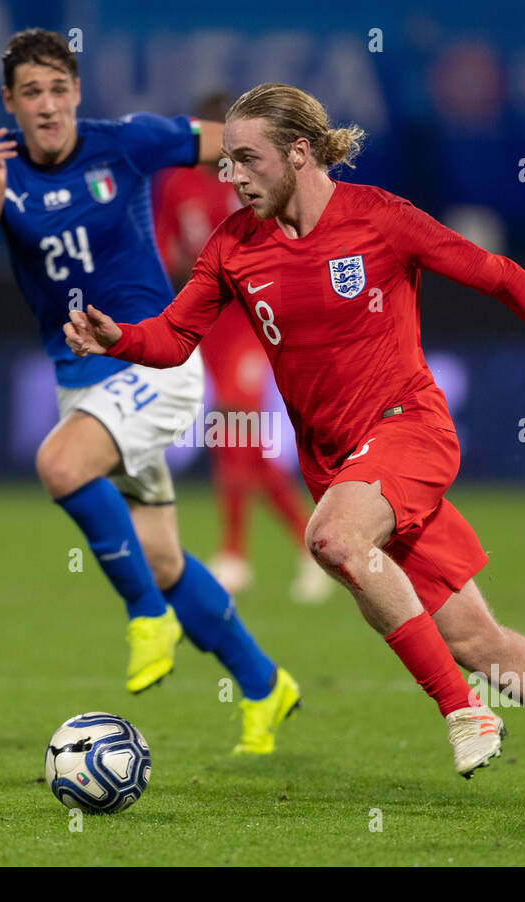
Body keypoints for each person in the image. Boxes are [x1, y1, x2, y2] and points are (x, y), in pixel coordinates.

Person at [65, 83, 525, 813]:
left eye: (247, 160)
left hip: (409, 431)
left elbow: (503, 278)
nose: (231, 177)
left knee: (332, 539)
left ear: (299, 152)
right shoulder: (234, 245)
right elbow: (174, 337)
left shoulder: (379, 219)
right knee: (487, 648)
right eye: (225, 162)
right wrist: (121, 340)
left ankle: (460, 710)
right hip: (344, 466)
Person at [0, 33, 298, 755]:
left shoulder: (127, 143)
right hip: (83, 387)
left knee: (60, 467)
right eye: (31, 93)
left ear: (77, 91)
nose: (47, 106)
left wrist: (282, 190)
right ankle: (264, 685)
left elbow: (226, 141)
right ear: (10, 104)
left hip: (157, 363)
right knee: (164, 560)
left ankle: (145, 617)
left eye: (58, 89)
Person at [153, 92, 332, 603]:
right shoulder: (177, 183)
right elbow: (165, 249)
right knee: (236, 438)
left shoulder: (257, 183)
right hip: (208, 325)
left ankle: (235, 554)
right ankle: (311, 545)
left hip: (256, 321)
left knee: (235, 420)